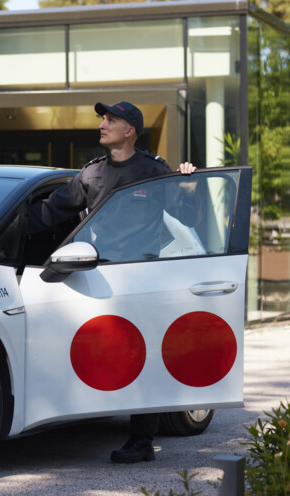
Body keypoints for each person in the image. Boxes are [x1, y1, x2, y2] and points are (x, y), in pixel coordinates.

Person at [29, 101, 196, 464]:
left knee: (143, 354)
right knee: (100, 351)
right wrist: (1, 226)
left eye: (111, 120)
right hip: (95, 275)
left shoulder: (154, 171)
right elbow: (48, 213)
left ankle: (142, 440)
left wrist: (187, 188)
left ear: (130, 130)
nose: (103, 125)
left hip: (141, 277)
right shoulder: (91, 175)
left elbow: (185, 216)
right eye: (103, 119)